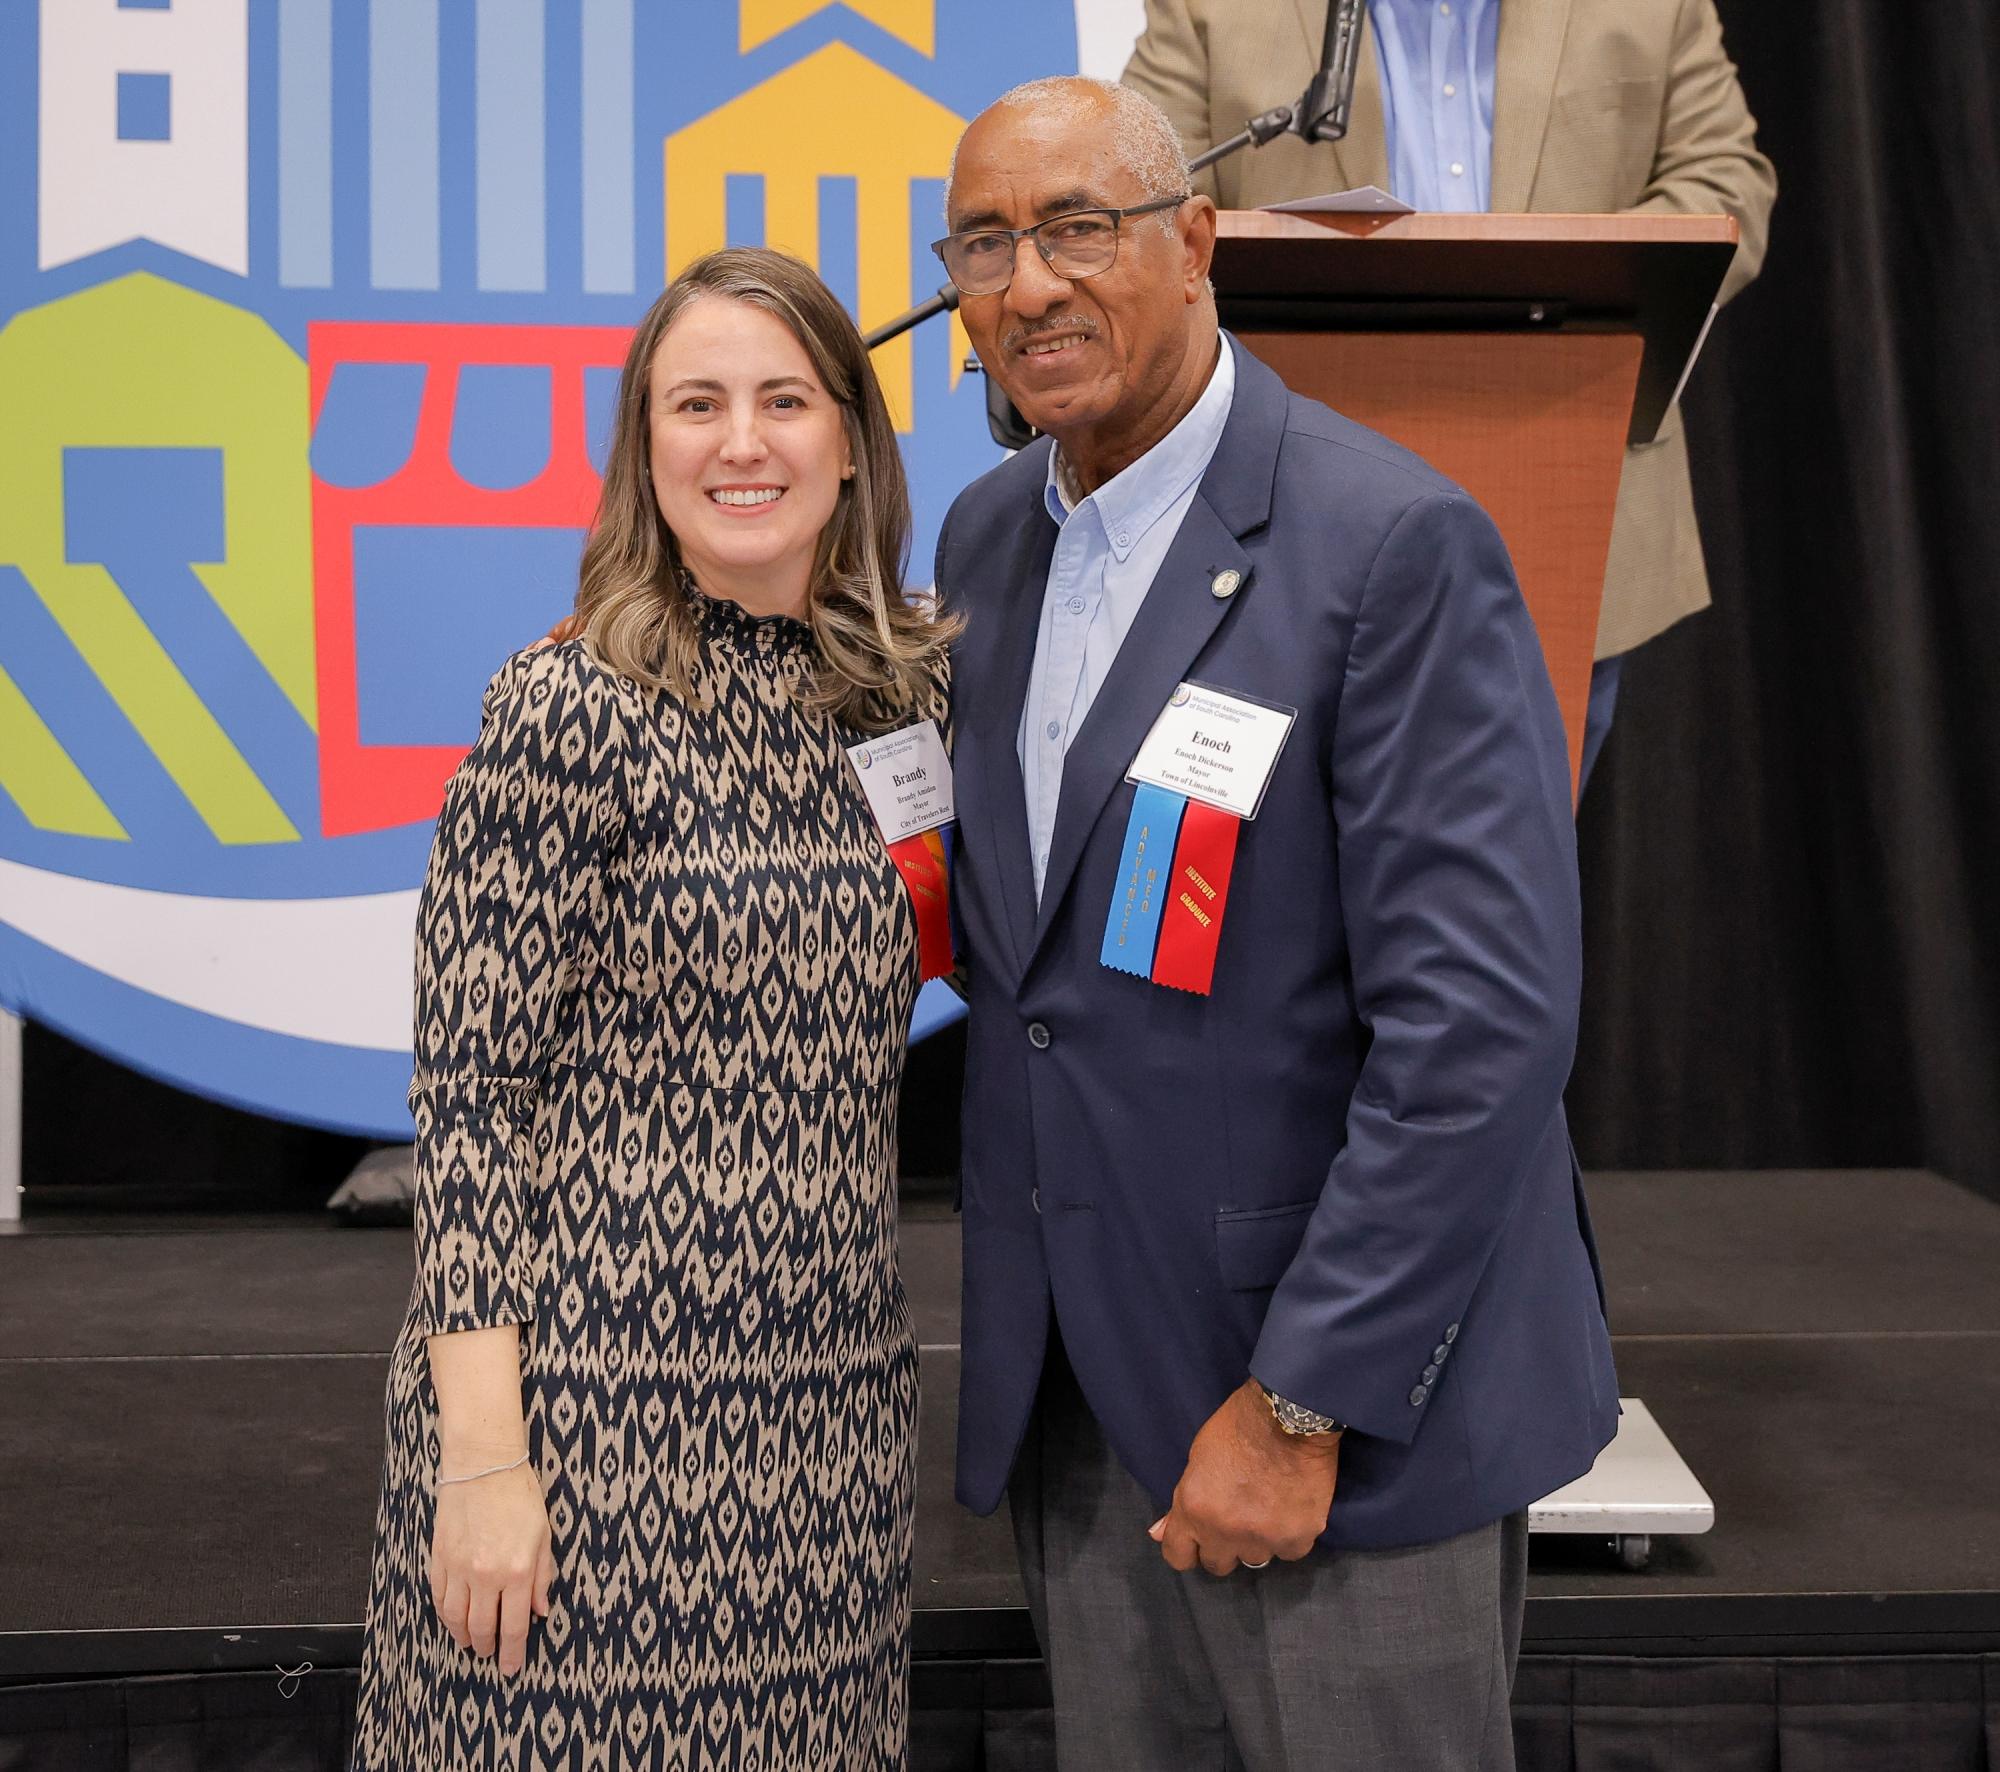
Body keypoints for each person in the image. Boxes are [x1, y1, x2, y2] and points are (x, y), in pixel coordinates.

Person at [935, 77, 1614, 1769]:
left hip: (1332, 1432)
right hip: (1087, 1412)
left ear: (1195, 241)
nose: (1033, 284)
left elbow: (1481, 1033)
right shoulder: (983, 544)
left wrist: (1300, 1400)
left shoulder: (1390, 545)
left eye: (1080, 228)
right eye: (989, 242)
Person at [351, 246, 954, 1770]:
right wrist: (487, 1464)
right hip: (590, 1431)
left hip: (822, 1432)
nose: (742, 442)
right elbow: (472, 1106)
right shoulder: (568, 709)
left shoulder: (909, 695)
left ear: (851, 439)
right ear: (646, 448)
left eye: (782, 400)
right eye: (698, 404)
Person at [1123, 0, 1778, 789]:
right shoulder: (1213, 9)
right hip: (1287, 519)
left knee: (1504, 887)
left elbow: (1727, 182)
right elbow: (1141, 210)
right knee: (1287, 881)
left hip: (1568, 497)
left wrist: (1561, 269)